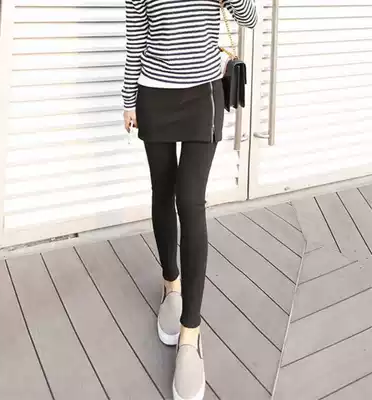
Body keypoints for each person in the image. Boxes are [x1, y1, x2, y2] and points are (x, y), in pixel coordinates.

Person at [122, 1, 258, 399]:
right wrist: (128, 99)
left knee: (190, 200)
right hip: (154, 94)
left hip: (203, 96)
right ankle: (171, 285)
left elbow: (250, 18)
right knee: (162, 191)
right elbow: (136, 37)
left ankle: (190, 332)